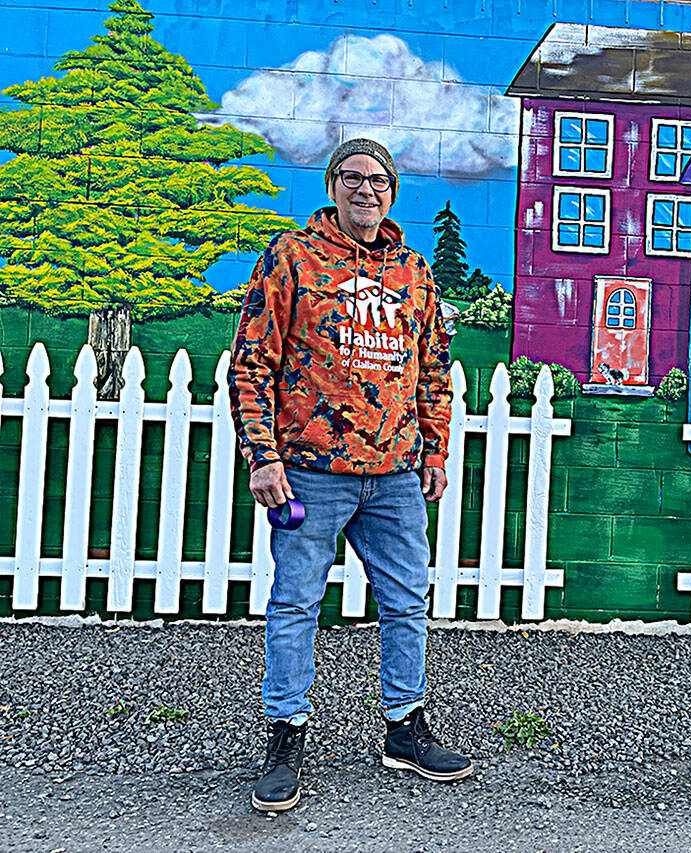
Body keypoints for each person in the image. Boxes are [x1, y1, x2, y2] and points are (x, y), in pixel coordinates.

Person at [229, 138, 472, 813]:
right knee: (297, 603)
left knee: (406, 601)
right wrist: (263, 454)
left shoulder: (415, 273)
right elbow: (250, 363)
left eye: (380, 180)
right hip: (311, 470)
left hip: (395, 474)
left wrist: (435, 449)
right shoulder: (291, 258)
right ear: (333, 185)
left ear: (393, 192)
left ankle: (404, 726)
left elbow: (433, 372)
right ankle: (286, 733)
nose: (367, 190)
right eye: (353, 177)